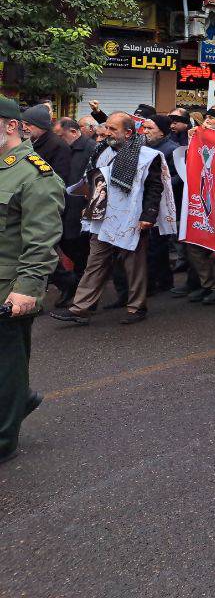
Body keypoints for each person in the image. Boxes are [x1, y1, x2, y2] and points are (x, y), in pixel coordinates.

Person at [50, 112, 177, 326]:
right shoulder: (102, 151)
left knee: (134, 266)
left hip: (131, 219)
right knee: (95, 263)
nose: (106, 132)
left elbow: (155, 188)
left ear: (128, 133)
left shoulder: (147, 156)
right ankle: (80, 309)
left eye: (112, 129)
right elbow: (95, 181)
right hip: (102, 217)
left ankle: (136, 307)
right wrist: (88, 206)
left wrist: (148, 215)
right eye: (106, 127)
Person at [0, 96, 66, 466]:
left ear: (11, 126)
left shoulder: (35, 174)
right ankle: (19, 398)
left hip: (8, 285)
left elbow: (41, 240)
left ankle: (4, 439)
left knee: (5, 362)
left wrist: (27, 288)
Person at [21, 105, 71, 182]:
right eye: (22, 124)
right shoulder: (28, 142)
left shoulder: (59, 146)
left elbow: (60, 179)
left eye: (28, 124)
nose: (23, 128)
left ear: (41, 125)